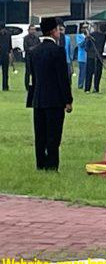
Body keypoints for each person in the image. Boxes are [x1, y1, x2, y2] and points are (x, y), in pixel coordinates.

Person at [25, 17, 73, 171]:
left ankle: (40, 164)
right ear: (53, 31)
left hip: (38, 99)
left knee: (40, 135)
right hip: (54, 100)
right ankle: (52, 165)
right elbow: (62, 78)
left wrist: (33, 98)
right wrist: (68, 100)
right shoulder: (58, 51)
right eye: (58, 29)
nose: (59, 32)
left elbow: (32, 78)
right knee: (53, 135)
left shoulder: (33, 51)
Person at [82, 23, 106, 94]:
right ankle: (90, 88)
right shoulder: (93, 35)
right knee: (91, 73)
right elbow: (87, 46)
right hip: (93, 56)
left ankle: (93, 88)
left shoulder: (102, 36)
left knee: (95, 73)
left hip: (96, 56)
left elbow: (88, 46)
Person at [0, 23, 12, 91]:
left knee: (5, 72)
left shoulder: (8, 34)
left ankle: (5, 87)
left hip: (5, 55)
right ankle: (5, 87)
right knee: (5, 72)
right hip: (3, 54)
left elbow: (10, 45)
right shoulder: (8, 34)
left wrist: (10, 54)